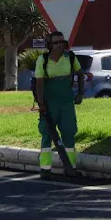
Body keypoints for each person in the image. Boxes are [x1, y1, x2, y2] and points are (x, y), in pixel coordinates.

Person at [34, 31, 85, 180]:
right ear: (50, 45)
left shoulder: (71, 58)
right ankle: (45, 169)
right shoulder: (43, 60)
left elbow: (80, 74)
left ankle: (70, 168)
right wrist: (41, 103)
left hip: (66, 102)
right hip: (49, 103)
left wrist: (80, 93)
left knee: (69, 132)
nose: (59, 45)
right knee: (47, 134)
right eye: (56, 43)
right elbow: (39, 83)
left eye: (62, 42)